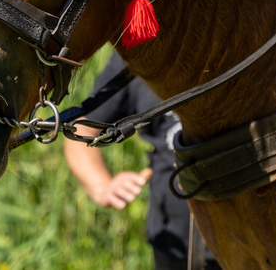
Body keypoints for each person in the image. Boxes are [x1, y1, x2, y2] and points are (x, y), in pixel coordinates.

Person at [63, 51, 220, 270]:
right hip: (174, 244)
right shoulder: (138, 53)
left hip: (256, 238)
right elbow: (80, 130)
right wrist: (102, 186)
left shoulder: (238, 36)